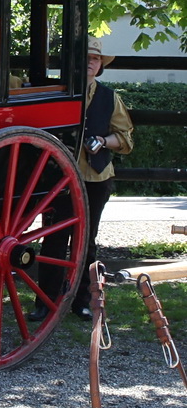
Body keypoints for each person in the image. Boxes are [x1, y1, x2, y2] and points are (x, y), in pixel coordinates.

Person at [34, 36, 134, 321]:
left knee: (86, 241)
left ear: (99, 65)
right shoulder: (58, 92)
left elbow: (125, 138)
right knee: (53, 239)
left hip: (95, 177)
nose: (90, 63)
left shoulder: (109, 98)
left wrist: (103, 140)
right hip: (60, 178)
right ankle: (44, 302)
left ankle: (81, 301)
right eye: (86, 58)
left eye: (95, 59)